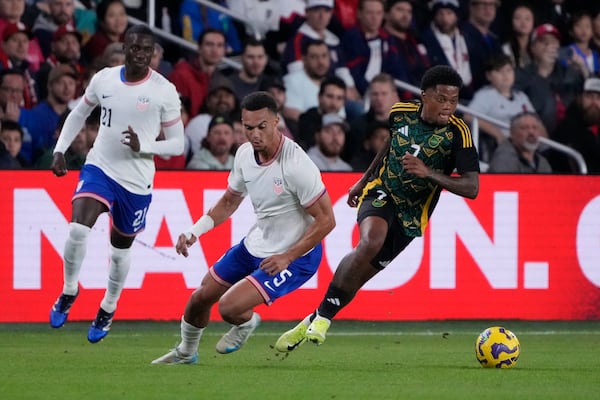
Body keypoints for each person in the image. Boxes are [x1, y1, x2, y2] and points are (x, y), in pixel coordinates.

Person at [275, 65, 480, 351]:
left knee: (359, 276)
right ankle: (321, 319)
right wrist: (363, 180)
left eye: (454, 101)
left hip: (412, 215)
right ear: (424, 97)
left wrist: (429, 173)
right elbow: (390, 142)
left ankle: (315, 318)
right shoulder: (400, 112)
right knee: (371, 240)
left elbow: (472, 188)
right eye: (442, 99)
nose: (448, 107)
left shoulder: (460, 133)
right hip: (382, 190)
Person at [151, 91, 335, 365]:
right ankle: (186, 353)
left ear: (276, 123)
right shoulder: (244, 154)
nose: (255, 134)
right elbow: (229, 201)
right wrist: (194, 232)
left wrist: (288, 256)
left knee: (229, 308)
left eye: (262, 126)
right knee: (201, 297)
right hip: (258, 243)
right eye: (248, 128)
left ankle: (246, 323)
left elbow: (327, 221)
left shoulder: (296, 165)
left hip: (297, 257)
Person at [48, 24, 184, 343]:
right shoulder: (105, 79)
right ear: (124, 48)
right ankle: (69, 290)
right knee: (78, 229)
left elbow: (178, 145)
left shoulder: (164, 90)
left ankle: (108, 307)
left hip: (136, 181)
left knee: (119, 252)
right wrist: (59, 150)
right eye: (134, 48)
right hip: (100, 166)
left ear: (153, 54)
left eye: (147, 50)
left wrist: (145, 146)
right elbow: (79, 113)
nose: (140, 55)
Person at [487, 111, 552, 173]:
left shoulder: (543, 163)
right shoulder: (504, 160)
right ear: (512, 133)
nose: (531, 132)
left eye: (535, 128)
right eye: (524, 128)